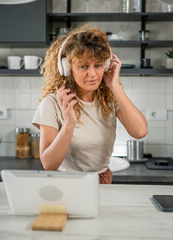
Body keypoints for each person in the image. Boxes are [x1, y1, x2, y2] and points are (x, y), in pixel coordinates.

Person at [32, 25, 147, 184]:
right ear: (67, 68)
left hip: (102, 180)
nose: (92, 74)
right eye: (83, 66)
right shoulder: (52, 103)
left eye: (98, 65)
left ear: (106, 65)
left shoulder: (110, 99)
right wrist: (69, 125)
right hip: (65, 182)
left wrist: (115, 86)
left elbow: (140, 131)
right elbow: (49, 164)